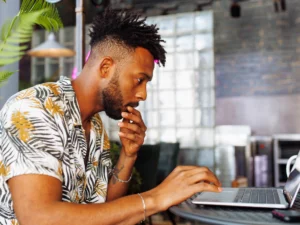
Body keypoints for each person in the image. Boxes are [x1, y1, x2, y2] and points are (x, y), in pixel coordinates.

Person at [0, 9, 222, 225]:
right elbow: (39, 218)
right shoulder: (34, 109)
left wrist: (128, 155)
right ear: (106, 67)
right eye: (139, 80)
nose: (143, 94)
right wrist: (155, 198)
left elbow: (105, 209)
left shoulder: (94, 123)